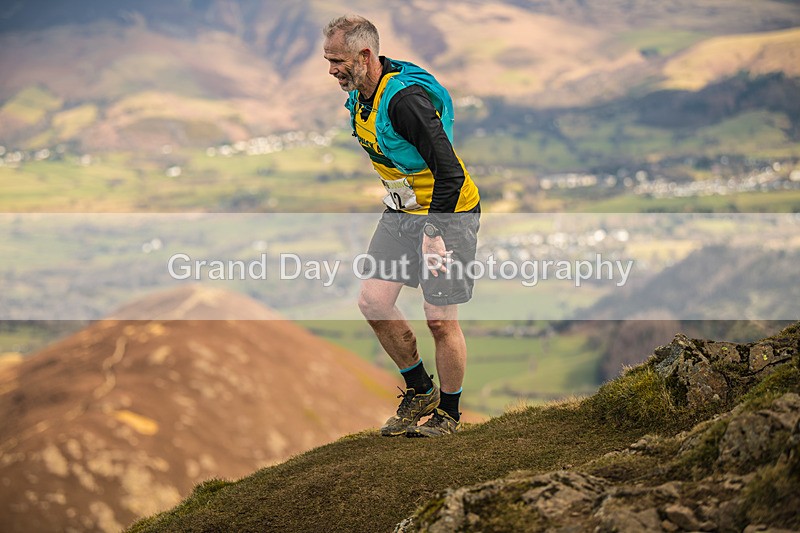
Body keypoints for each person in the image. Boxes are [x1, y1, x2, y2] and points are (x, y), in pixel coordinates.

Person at [323, 15, 481, 437]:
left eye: (338, 61)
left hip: (448, 215)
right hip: (401, 211)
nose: (332, 70)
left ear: (364, 55)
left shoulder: (404, 101)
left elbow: (450, 174)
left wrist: (433, 235)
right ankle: (419, 390)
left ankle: (448, 415)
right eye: (327, 60)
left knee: (440, 319)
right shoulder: (361, 95)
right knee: (374, 301)